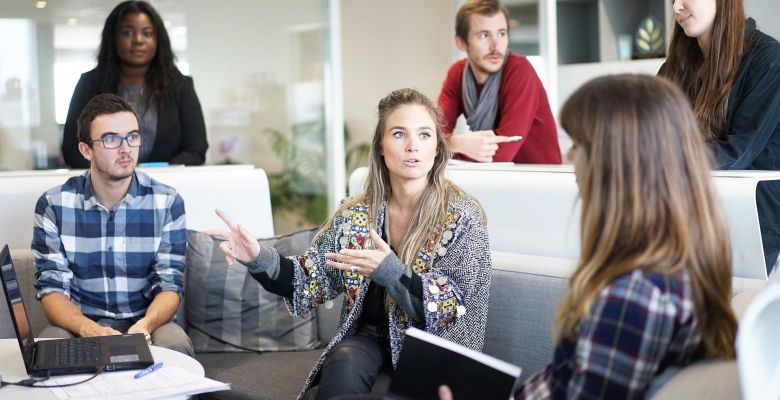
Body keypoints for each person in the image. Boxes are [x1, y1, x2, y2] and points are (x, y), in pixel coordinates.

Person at [441, 75, 738, 399]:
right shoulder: (679, 264)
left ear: (614, 163)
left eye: (578, 145)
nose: (570, 158)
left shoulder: (633, 298)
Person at [206, 88, 492, 399]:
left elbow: (452, 307)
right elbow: (310, 279)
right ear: (380, 147)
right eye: (399, 134)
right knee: (341, 363)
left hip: (432, 345)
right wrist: (258, 257)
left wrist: (390, 272)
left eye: (424, 135)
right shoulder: (357, 213)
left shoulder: (463, 216)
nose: (412, 146)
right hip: (368, 339)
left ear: (437, 147)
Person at [33, 93, 192, 356]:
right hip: (80, 324)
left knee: (174, 344)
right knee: (48, 345)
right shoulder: (54, 205)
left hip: (147, 323)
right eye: (110, 139)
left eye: (133, 136)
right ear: (86, 150)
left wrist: (145, 325)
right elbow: (51, 290)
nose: (126, 148)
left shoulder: (167, 202)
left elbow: (170, 284)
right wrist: (88, 329)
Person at [659, 0, 780, 273]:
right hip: (691, 225)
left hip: (755, 232)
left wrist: (657, 159)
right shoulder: (673, 70)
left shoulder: (769, 60)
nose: (677, 7)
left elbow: (737, 153)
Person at [61, 0, 208, 169]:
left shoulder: (181, 86)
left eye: (147, 33)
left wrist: (156, 177)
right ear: (113, 38)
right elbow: (72, 151)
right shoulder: (89, 84)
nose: (138, 40)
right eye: (128, 32)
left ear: (158, 40)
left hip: (165, 188)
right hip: (104, 189)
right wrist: (116, 174)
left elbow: (196, 150)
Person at [437, 0, 560, 164]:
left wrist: (446, 146)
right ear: (461, 43)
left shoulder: (519, 70)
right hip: (493, 178)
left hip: (540, 179)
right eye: (484, 36)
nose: (496, 46)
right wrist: (456, 143)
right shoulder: (457, 74)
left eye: (501, 33)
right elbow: (431, 136)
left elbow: (501, 155)